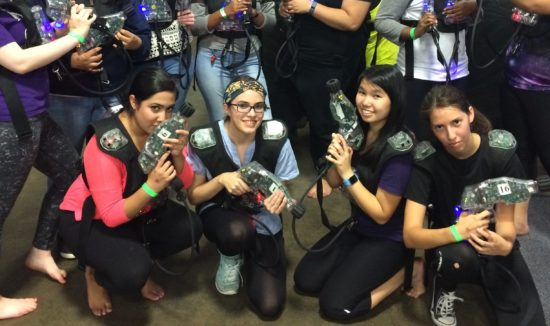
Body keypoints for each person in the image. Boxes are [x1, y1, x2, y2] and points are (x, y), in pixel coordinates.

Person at [0, 0, 95, 319]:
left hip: (36, 113)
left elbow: (34, 44)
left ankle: (40, 249)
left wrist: (63, 28)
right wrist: (76, 37)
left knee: (71, 172)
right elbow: (19, 61)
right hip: (9, 122)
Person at [59, 68, 202, 317]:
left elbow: (187, 181)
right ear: (134, 102)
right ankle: (93, 272)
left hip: (137, 208)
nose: (163, 118)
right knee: (132, 273)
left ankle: (134, 254)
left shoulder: (165, 132)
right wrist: (152, 187)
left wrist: (178, 155)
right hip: (91, 218)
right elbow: (111, 215)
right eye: (155, 108)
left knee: (190, 227)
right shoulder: (106, 145)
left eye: (169, 109)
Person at [404, 85, 545, 326]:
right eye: (439, 127)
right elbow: (410, 235)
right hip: (449, 240)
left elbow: (508, 224)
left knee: (529, 319)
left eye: (456, 122)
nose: (451, 135)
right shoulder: (427, 160)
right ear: (431, 128)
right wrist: (458, 231)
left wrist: (505, 244)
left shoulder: (500, 155)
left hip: (492, 237)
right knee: (454, 259)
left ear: (470, 114)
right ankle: (444, 284)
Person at [294, 65, 424, 321]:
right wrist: (337, 156)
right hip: (359, 224)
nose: (365, 102)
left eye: (377, 95)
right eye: (362, 92)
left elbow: (382, 214)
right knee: (305, 280)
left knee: (334, 305)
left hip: (388, 237)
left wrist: (347, 173)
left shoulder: (399, 148)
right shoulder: (357, 129)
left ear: (394, 100)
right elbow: (333, 181)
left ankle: (407, 272)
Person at [27, 0, 151, 155]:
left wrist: (136, 43)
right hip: (67, 96)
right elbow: (30, 49)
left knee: (112, 161)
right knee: (67, 165)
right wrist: (71, 62)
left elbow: (144, 36)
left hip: (112, 93)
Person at [277, 0, 377, 193]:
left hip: (332, 61)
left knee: (327, 125)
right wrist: (287, 7)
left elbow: (352, 20)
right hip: (302, 55)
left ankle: (332, 179)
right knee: (308, 117)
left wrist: (308, 7)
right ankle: (322, 170)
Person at [187, 77, 299, 319]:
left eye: (259, 106)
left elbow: (285, 183)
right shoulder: (205, 139)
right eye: (242, 106)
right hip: (220, 210)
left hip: (263, 214)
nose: (252, 114)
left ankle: (253, 249)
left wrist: (280, 195)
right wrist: (220, 179)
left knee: (269, 306)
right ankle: (230, 254)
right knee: (236, 232)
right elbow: (194, 196)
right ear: (226, 107)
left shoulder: (275, 135)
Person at [469, 0, 550, 234]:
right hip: (515, 79)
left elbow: (533, 2)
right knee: (519, 153)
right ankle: (520, 221)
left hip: (544, 88)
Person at [375, 0, 477, 137]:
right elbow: (382, 20)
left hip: (457, 72)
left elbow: (480, 11)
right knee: (418, 137)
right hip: (417, 76)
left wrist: (471, 7)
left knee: (453, 137)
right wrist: (414, 31)